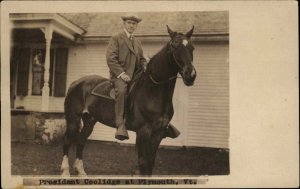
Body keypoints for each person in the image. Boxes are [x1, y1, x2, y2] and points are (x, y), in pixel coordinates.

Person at [106, 15, 147, 141]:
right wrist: (122, 74)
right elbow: (111, 59)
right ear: (124, 24)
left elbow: (141, 59)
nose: (131, 25)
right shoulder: (116, 38)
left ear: (136, 26)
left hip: (134, 76)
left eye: (134, 24)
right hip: (119, 76)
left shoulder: (137, 42)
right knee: (122, 91)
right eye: (129, 23)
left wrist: (145, 66)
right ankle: (120, 125)